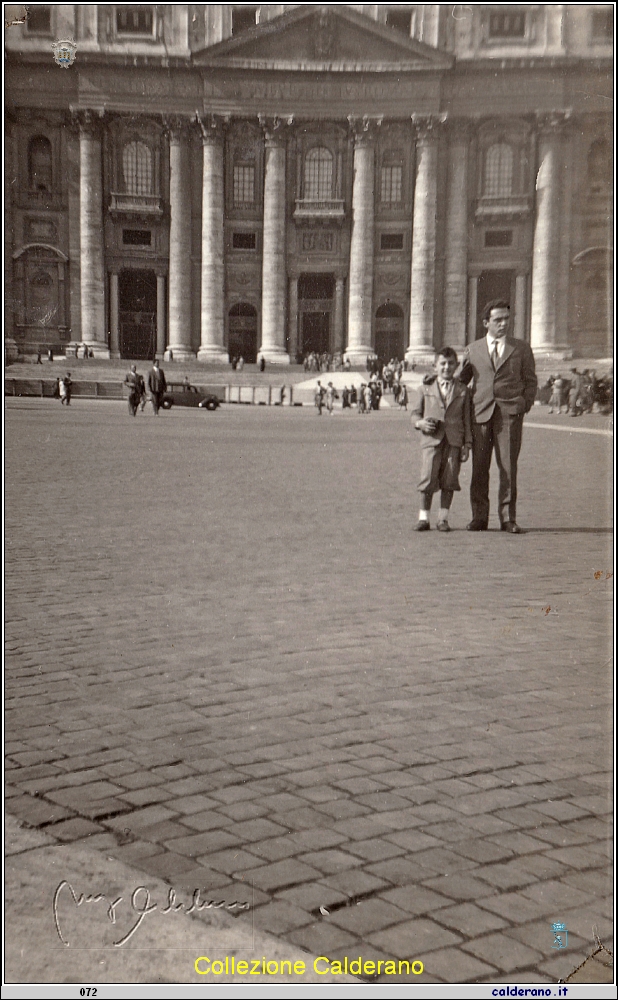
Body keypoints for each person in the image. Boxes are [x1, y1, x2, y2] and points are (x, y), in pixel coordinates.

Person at [459, 299, 537, 533]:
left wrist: (524, 404)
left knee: (508, 468)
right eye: (498, 320)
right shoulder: (473, 349)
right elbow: (462, 381)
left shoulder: (521, 348)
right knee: (479, 468)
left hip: (509, 416)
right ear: (486, 323)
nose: (504, 324)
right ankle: (479, 517)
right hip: (481, 414)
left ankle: (507, 518)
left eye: (506, 319)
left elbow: (530, 381)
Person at [412, 347, 472, 532]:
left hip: (454, 441)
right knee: (427, 477)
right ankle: (423, 518)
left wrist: (467, 444)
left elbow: (467, 419)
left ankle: (443, 519)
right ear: (435, 366)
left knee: (450, 480)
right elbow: (415, 414)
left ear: (457, 366)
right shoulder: (425, 388)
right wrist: (420, 423)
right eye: (443, 364)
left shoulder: (463, 390)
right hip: (431, 440)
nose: (447, 367)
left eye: (451, 364)